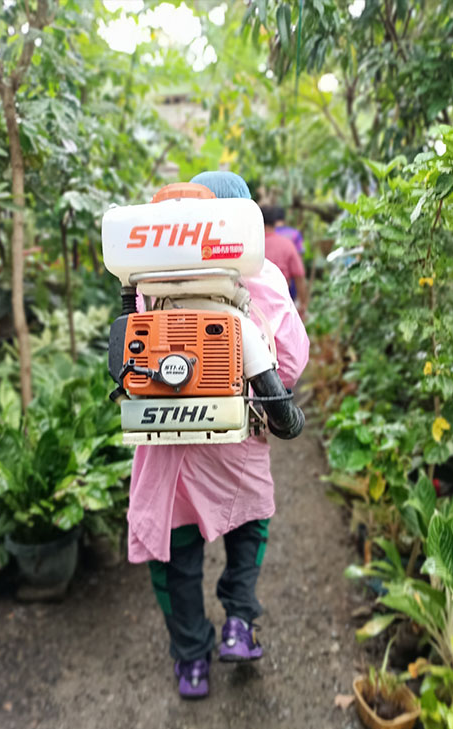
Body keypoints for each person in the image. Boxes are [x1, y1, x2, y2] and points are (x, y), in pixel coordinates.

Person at [126, 171, 310, 699]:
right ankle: (237, 623)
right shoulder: (263, 275)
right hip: (237, 438)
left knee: (173, 550)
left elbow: (131, 359)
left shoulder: (150, 275)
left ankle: (191, 661)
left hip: (167, 446)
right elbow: (291, 364)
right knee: (249, 526)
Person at [259, 205, 309, 317]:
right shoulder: (288, 244)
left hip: (254, 304)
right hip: (281, 301)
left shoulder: (251, 245)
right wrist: (303, 304)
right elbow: (299, 275)